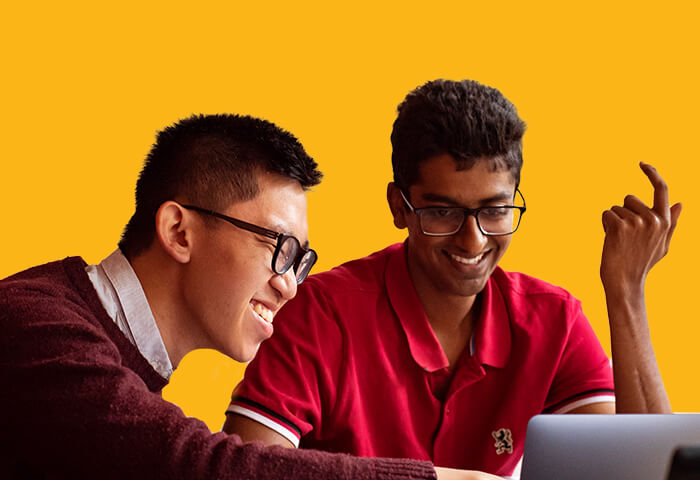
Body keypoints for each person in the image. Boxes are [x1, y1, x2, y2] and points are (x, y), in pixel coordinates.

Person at [223, 80, 681, 477]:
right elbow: (247, 470)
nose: (473, 240)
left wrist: (626, 292)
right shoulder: (321, 313)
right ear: (400, 207)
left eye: (495, 210)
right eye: (443, 212)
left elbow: (646, 470)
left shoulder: (553, 320)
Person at [0, 114, 492, 479]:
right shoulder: (32, 325)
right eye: (279, 248)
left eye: (301, 260)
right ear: (179, 231)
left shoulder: (116, 365)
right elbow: (205, 466)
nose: (290, 283)